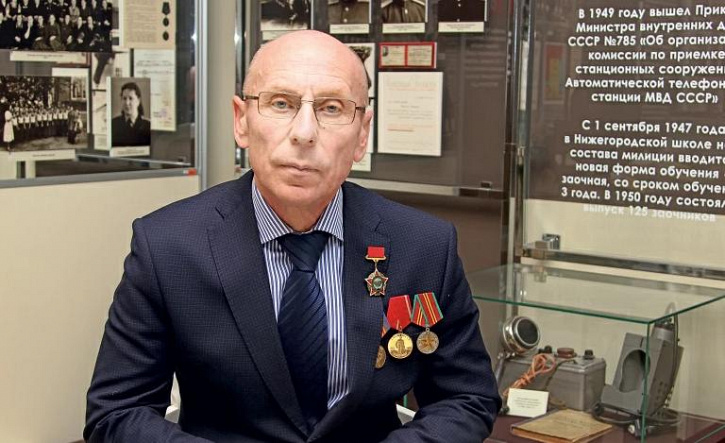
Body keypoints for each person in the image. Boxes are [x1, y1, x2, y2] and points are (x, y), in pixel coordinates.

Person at [85, 30, 500, 442]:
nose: (304, 132)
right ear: (241, 121)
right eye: (281, 103)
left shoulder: (424, 245)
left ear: (362, 134)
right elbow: (117, 413)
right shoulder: (167, 247)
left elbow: (467, 397)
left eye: (332, 108)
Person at [110, 81, 150, 147]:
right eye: (124, 98)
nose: (127, 103)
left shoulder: (148, 126)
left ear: (138, 101)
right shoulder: (113, 124)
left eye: (131, 98)